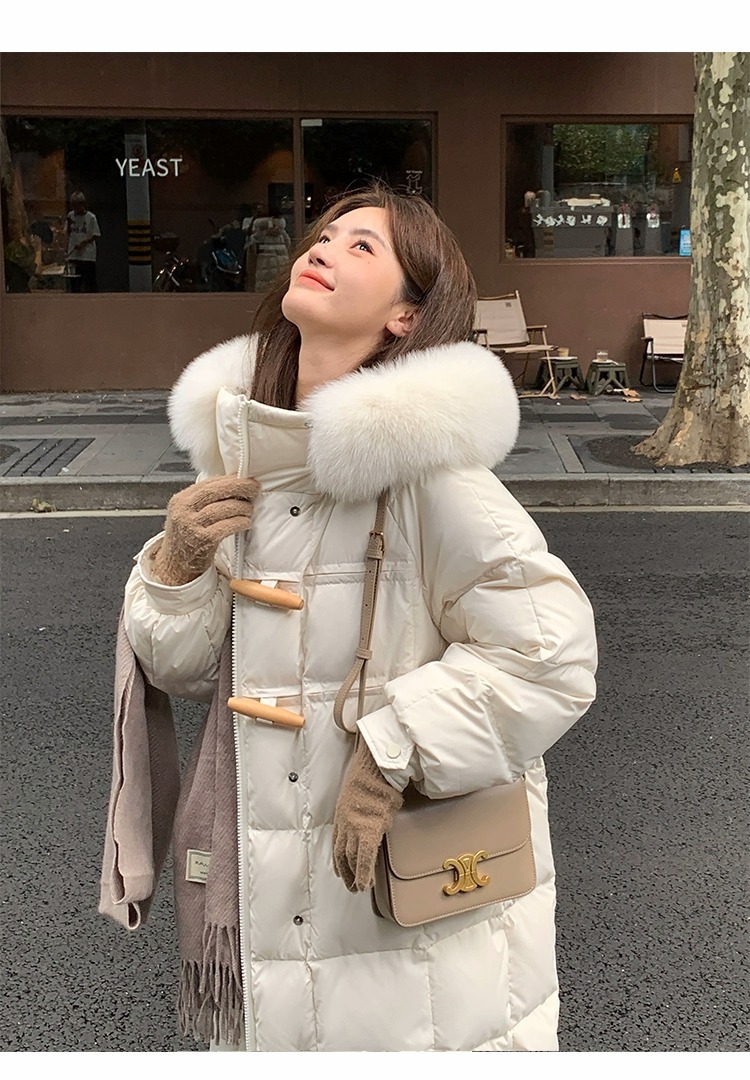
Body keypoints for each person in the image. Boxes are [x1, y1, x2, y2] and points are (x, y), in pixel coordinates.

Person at [112, 182, 598, 1052]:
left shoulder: (430, 473)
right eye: (325, 235)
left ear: (407, 315)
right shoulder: (251, 462)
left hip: (413, 939)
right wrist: (175, 568)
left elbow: (551, 652)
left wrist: (396, 745)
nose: (325, 248)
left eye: (363, 245)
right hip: (272, 899)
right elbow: (187, 672)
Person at [248, 205, 291, 291]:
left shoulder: (259, 234)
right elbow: (288, 244)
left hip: (264, 265)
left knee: (264, 288)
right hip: (281, 264)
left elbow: (253, 248)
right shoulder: (282, 232)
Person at [65, 191, 100, 292]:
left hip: (87, 255)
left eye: (77, 206)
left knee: (90, 283)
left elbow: (96, 235)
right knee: (75, 284)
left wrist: (83, 243)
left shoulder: (91, 217)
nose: (75, 209)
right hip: (74, 254)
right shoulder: (70, 216)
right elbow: (67, 233)